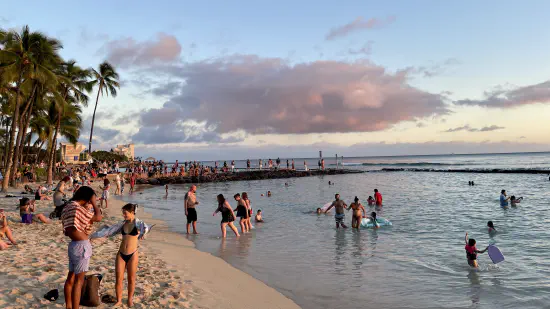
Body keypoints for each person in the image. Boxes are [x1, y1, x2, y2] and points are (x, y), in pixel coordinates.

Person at [91, 203, 152, 308]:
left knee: (131, 278)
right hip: (121, 253)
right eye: (123, 213)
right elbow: (109, 231)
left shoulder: (138, 224)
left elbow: (145, 228)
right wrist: (93, 236)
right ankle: (119, 300)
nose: (123, 215)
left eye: (125, 213)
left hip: (133, 254)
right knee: (118, 278)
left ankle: (129, 300)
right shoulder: (122, 224)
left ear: (132, 212)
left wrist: (143, 234)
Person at [61, 186, 103, 309]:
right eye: (90, 199)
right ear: (87, 197)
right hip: (81, 246)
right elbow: (98, 217)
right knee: (78, 282)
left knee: (70, 278)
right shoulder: (77, 208)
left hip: (73, 245)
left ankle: (68, 306)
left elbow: (73, 226)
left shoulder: (67, 207)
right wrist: (94, 203)